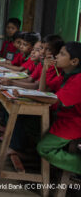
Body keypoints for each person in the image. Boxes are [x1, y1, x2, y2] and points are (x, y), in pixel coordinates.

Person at [37, 42, 81, 175]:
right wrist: (45, 69)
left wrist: (25, 95)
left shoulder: (78, 79)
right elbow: (43, 90)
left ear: (74, 61)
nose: (56, 56)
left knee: (44, 148)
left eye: (62, 54)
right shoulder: (65, 75)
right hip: (63, 119)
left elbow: (53, 100)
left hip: (74, 123)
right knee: (32, 126)